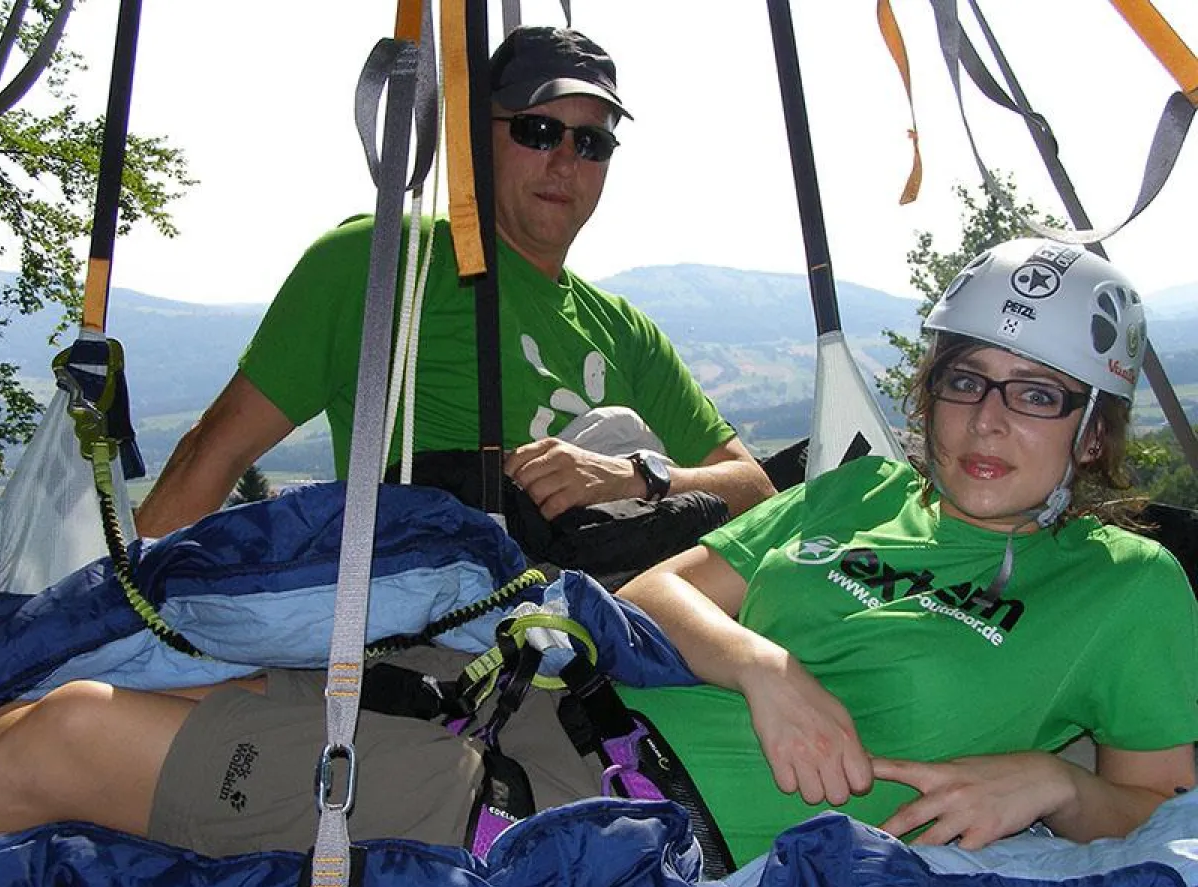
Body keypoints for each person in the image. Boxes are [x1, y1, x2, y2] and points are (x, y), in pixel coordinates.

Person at [0, 240, 1194, 867]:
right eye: (969, 380)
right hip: (524, 688)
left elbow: (1155, 812)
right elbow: (660, 594)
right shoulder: (864, 489)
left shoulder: (1128, 589)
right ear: (931, 390)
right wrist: (765, 668)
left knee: (64, 743)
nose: (989, 420)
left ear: (1094, 428)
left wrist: (1055, 785)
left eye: (1039, 394)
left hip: (591, 804)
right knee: (61, 703)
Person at [132, 25, 774, 539]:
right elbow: (215, 451)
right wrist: (123, 614)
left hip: (615, 618)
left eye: (591, 144)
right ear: (473, 140)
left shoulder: (626, 333)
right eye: (537, 130)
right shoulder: (382, 263)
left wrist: (634, 477)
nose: (564, 161)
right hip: (445, 628)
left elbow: (754, 489)